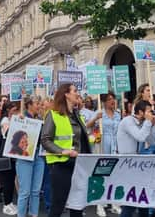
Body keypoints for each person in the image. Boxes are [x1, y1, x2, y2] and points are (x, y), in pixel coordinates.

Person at [41, 83, 91, 217]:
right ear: (66, 95)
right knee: (58, 204)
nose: (78, 93)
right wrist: (63, 151)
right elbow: (45, 140)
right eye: (75, 91)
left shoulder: (77, 115)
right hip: (60, 165)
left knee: (77, 205)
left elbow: (81, 140)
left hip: (79, 164)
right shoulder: (53, 114)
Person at [116, 100, 155, 217]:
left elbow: (153, 141)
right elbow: (140, 137)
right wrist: (148, 123)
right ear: (140, 112)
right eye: (149, 111)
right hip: (126, 165)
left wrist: (153, 125)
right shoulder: (127, 121)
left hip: (139, 166)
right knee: (130, 201)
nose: (151, 113)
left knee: (143, 200)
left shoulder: (144, 122)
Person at [16, 96, 45, 217]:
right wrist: (18, 121)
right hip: (25, 157)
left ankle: (34, 214)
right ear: (29, 105)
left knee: (36, 191)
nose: (39, 105)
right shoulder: (22, 117)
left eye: (39, 103)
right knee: (25, 192)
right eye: (37, 103)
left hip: (39, 156)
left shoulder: (40, 119)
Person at [0, 101, 19, 215]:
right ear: (8, 110)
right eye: (14, 109)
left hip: (12, 154)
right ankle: (6, 205)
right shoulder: (5, 120)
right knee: (7, 180)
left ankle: (10, 202)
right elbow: (8, 133)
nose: (16, 111)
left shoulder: (13, 119)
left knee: (11, 180)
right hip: (5, 155)